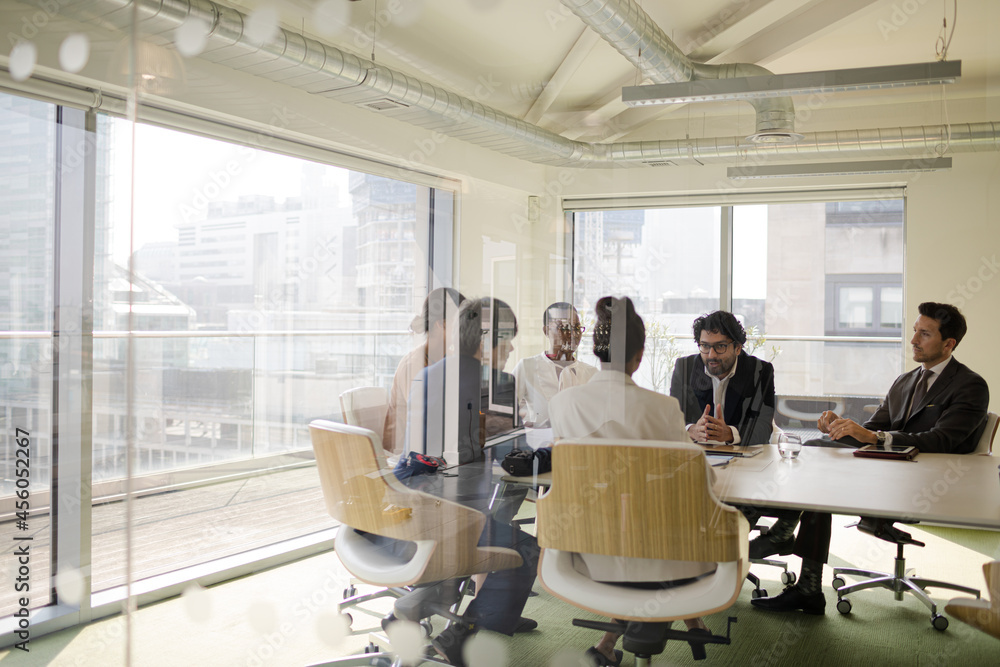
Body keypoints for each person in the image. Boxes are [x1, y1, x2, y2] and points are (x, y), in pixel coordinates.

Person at [750, 302, 990, 615]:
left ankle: (787, 540)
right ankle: (802, 576)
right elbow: (874, 429)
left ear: (949, 344)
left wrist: (874, 438)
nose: (914, 339)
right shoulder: (905, 381)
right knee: (818, 450)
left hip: (929, 482)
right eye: (915, 330)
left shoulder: (970, 386)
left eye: (925, 334)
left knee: (821, 475)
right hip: (887, 471)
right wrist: (839, 426)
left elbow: (942, 440)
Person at [549, 296, 713, 667]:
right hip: (652, 549)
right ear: (639, 355)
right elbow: (694, 482)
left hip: (581, 548)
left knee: (636, 529)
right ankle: (692, 621)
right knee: (662, 530)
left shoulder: (563, 405)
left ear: (596, 351)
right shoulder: (663, 409)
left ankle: (610, 645)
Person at [669, 310, 775, 446]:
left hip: (741, 457)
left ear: (737, 348)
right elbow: (672, 420)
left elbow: (764, 427)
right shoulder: (685, 368)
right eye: (705, 346)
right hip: (697, 454)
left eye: (720, 346)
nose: (711, 355)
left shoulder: (760, 371)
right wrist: (691, 430)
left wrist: (730, 434)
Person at [383, 287, 466, 455]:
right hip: (407, 457)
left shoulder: (448, 357)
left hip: (435, 450)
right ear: (441, 324)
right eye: (461, 323)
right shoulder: (414, 365)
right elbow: (425, 420)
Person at [513, 301, 597, 429]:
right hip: (540, 446)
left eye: (576, 328)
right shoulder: (527, 366)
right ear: (546, 331)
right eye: (564, 327)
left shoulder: (591, 373)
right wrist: (533, 425)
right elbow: (506, 414)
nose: (572, 334)